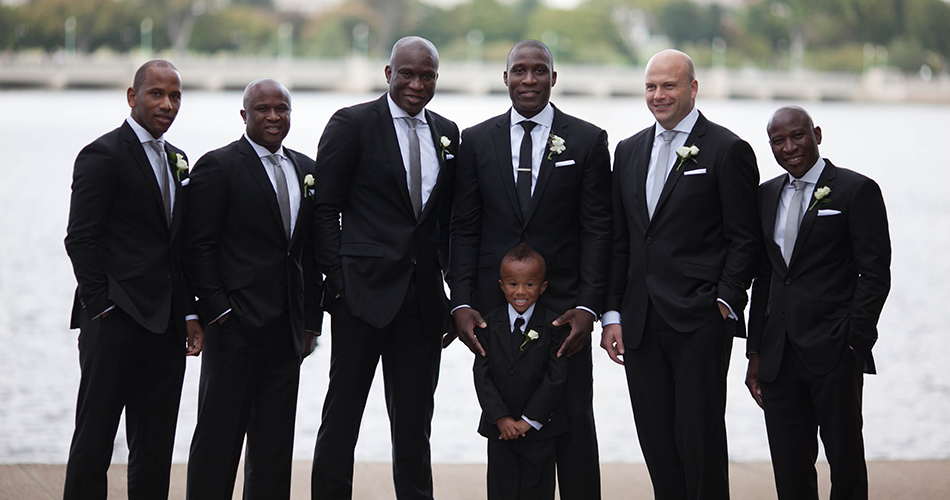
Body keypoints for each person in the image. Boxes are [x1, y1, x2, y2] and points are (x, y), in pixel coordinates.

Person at [448, 39, 611, 499]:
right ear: (505, 78)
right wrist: (461, 303)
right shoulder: (476, 141)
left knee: (575, 425)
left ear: (554, 78)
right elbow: (463, 227)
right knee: (507, 427)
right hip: (497, 315)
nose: (529, 80)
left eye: (539, 71)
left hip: (565, 314)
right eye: (519, 71)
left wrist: (588, 306)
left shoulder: (587, 139)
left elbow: (598, 229)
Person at [600, 49, 760, 500]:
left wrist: (726, 301)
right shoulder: (628, 151)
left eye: (668, 85)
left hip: (700, 320)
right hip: (640, 322)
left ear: (692, 88)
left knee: (701, 440)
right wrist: (612, 313)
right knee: (656, 442)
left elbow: (745, 239)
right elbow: (621, 240)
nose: (658, 95)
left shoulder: (728, 150)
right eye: (651, 86)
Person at [310, 36, 459, 500]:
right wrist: (339, 282)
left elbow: (450, 221)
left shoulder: (448, 132)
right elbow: (322, 209)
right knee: (342, 418)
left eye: (427, 75)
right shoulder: (351, 124)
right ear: (388, 72)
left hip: (423, 304)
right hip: (361, 296)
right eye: (408, 73)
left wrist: (455, 293)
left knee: (415, 426)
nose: (417, 84)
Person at [63, 59, 203, 500]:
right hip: (114, 321)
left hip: (165, 326)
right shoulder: (101, 155)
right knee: (95, 440)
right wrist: (102, 306)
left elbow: (177, 247)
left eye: (175, 96)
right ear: (132, 97)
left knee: (156, 445)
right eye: (157, 94)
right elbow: (80, 239)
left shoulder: (178, 159)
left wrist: (189, 313)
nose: (167, 104)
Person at [183, 78, 321, 499]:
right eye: (263, 109)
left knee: (274, 448)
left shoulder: (306, 168)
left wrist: (310, 323)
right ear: (244, 115)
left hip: (287, 333)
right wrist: (218, 313)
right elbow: (197, 246)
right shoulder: (219, 166)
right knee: (218, 442)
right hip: (235, 329)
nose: (274, 116)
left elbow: (309, 254)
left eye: (282, 108)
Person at [745, 106, 891, 500]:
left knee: (845, 462)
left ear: (817, 134)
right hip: (778, 356)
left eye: (797, 136)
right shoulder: (764, 195)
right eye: (778, 141)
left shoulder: (856, 190)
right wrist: (755, 352)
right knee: (789, 468)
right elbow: (766, 278)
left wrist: (853, 343)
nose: (789, 147)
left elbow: (875, 275)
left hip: (835, 351)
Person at [473, 243, 569, 500]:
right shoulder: (488, 324)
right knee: (500, 490)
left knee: (537, 491)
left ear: (543, 287)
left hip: (539, 430)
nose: (521, 292)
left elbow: (555, 377)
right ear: (502, 285)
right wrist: (501, 418)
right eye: (513, 284)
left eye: (529, 284)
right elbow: (481, 375)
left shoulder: (554, 325)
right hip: (499, 431)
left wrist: (529, 420)